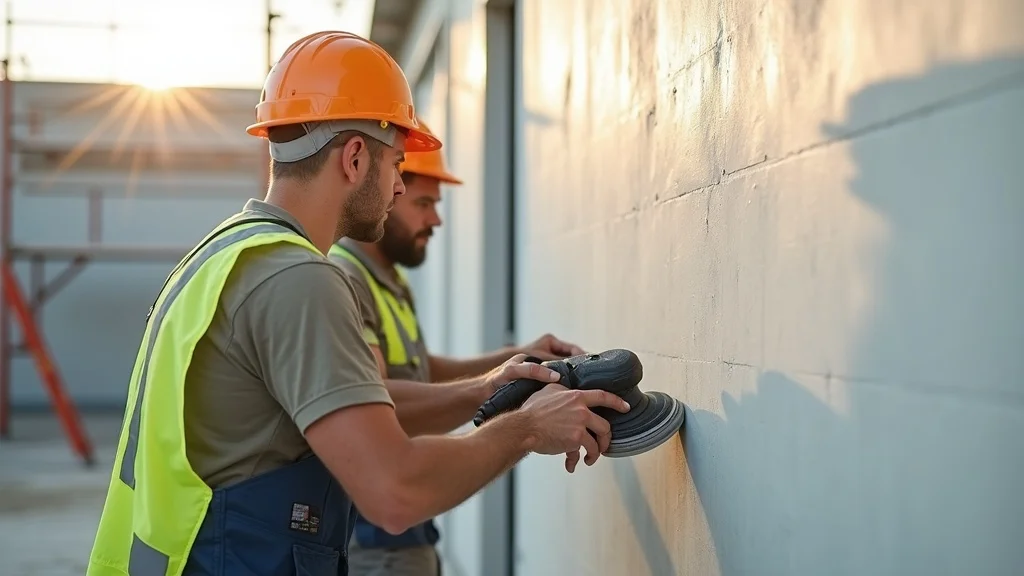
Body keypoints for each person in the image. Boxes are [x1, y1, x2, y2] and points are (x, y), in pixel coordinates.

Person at [85, 31, 629, 576]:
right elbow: (396, 491)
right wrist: (526, 428)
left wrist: (485, 389)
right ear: (353, 158)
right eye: (395, 164)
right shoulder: (298, 280)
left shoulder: (224, 253)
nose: (397, 186)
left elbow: (356, 405)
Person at [331, 118, 585, 576]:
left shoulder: (388, 279)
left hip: (405, 526)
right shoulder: (346, 278)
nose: (436, 218)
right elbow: (379, 396)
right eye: (423, 202)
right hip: (373, 531)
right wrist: (504, 404)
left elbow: (417, 369)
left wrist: (513, 360)